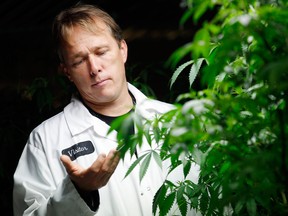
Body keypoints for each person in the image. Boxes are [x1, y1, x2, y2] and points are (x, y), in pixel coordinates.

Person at [13, 3, 200, 216]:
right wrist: (79, 191)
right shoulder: (45, 140)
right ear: (67, 72)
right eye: (79, 61)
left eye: (101, 52)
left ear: (123, 50)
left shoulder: (178, 120)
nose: (94, 68)